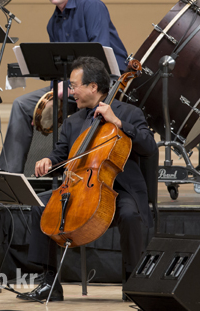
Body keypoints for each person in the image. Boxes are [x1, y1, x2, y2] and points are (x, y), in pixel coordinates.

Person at [17, 56, 156, 301]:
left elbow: (149, 148)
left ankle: (134, 282)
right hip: (79, 186)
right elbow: (60, 154)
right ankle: (49, 283)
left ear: (93, 87)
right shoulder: (74, 121)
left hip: (120, 189)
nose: (71, 92)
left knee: (129, 214)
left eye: (74, 86)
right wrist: (48, 161)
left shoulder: (129, 113)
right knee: (40, 205)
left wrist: (118, 122)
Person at [0, 0, 129, 174]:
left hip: (105, 82)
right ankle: (9, 176)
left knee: (59, 93)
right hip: (72, 86)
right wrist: (48, 100)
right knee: (23, 105)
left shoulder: (91, 5)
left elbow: (99, 62)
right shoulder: (53, 22)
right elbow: (57, 66)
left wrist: (66, 86)